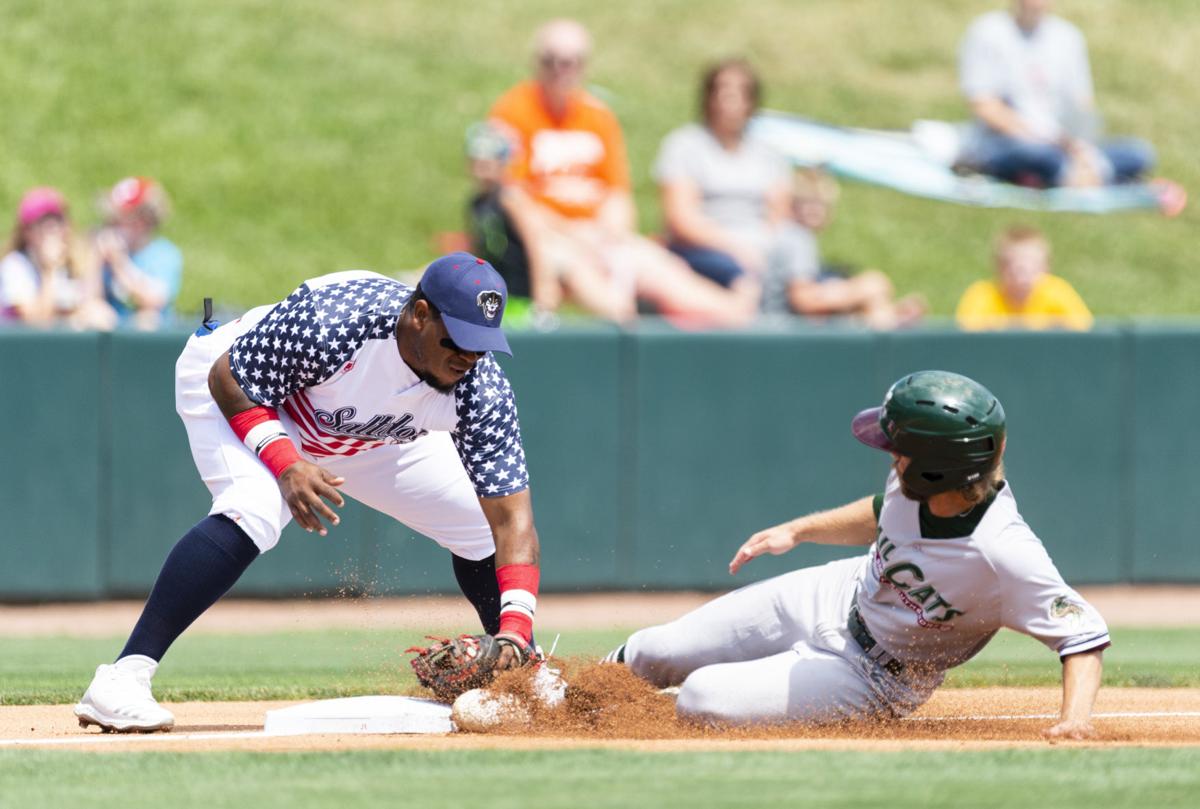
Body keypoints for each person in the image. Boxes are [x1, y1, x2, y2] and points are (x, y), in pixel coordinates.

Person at [74, 252, 543, 732]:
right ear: (420, 315)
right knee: (255, 509)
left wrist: (516, 635)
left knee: (477, 523)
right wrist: (284, 463)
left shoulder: (478, 388)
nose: (468, 357)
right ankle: (122, 678)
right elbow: (228, 377)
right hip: (248, 388)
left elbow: (513, 521)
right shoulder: (337, 320)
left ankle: (521, 672)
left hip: (361, 429)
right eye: (457, 340)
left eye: (481, 345)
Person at [604, 370, 1109, 740]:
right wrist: (798, 531)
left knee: (702, 698)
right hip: (832, 593)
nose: (890, 453)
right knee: (656, 649)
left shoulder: (1005, 554)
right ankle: (555, 698)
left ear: (935, 468)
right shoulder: (915, 482)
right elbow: (881, 513)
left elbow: (1082, 636)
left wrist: (1075, 721)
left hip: (875, 678)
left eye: (900, 448)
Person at [488, 19, 756, 327]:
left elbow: (617, 193)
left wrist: (609, 234)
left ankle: (742, 317)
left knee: (664, 271)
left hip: (599, 233)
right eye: (553, 61)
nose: (562, 70)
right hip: (543, 238)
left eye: (571, 62)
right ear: (538, 63)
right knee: (592, 282)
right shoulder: (512, 111)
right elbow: (512, 198)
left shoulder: (598, 116)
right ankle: (629, 338)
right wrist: (573, 232)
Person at [958, 0, 1154, 188]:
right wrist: (1039, 137)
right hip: (1010, 142)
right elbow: (985, 105)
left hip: (1062, 144)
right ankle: (1082, 177)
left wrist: (1079, 150)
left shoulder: (1068, 37)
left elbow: (1081, 105)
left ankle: (1072, 175)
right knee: (1034, 155)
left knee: (1139, 152)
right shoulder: (987, 31)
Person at [781, 168, 925, 328]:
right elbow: (804, 299)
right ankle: (889, 329)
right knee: (874, 284)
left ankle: (890, 319)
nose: (815, 210)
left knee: (872, 296)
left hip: (797, 326)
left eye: (821, 204)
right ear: (793, 205)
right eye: (807, 203)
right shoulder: (797, 238)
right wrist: (857, 291)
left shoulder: (797, 238)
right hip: (782, 328)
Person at [0, 187, 115, 329]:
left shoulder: (71, 261)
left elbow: (88, 306)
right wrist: (49, 269)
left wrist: (95, 259)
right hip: (19, 349)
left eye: (58, 221)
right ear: (27, 231)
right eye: (44, 223)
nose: (53, 229)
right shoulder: (15, 265)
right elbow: (36, 323)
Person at [956, 225, 1092, 331]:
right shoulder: (983, 294)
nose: (1022, 277)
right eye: (1016, 268)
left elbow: (1084, 331)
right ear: (999, 267)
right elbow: (965, 334)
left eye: (1032, 268)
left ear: (1046, 268)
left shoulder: (1057, 292)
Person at [95, 177, 183, 330]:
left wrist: (119, 262)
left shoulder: (164, 254)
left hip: (150, 339)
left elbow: (154, 300)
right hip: (111, 329)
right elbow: (89, 298)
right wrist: (94, 260)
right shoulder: (101, 247)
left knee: (147, 319)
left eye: (122, 218)